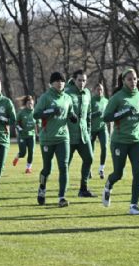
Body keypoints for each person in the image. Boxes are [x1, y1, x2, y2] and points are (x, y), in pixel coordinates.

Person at [102, 68, 139, 215]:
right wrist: (123, 113)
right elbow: (106, 117)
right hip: (120, 141)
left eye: (135, 79)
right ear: (123, 81)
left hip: (137, 140)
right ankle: (109, 185)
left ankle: (134, 205)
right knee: (118, 173)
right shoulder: (117, 97)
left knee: (138, 173)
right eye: (129, 79)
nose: (133, 82)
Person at [33, 72, 76, 207]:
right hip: (47, 138)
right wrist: (51, 111)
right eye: (57, 81)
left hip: (63, 137)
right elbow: (36, 114)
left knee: (63, 167)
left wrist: (73, 116)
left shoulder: (68, 98)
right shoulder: (45, 97)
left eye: (62, 81)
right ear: (51, 83)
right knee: (47, 169)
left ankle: (62, 197)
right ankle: (42, 188)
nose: (60, 83)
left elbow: (70, 112)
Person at [65, 70, 95, 197]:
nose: (82, 83)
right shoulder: (66, 93)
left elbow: (88, 114)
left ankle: (83, 189)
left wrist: (88, 130)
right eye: (79, 80)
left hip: (83, 135)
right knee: (65, 163)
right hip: (68, 135)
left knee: (89, 158)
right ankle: (63, 190)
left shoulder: (87, 93)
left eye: (84, 80)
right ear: (74, 79)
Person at [13, 95, 39, 174]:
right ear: (26, 104)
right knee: (23, 153)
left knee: (31, 152)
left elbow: (38, 123)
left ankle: (28, 168)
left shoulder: (35, 112)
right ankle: (17, 157)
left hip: (31, 135)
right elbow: (16, 123)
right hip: (22, 136)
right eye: (29, 104)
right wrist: (20, 129)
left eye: (31, 103)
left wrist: (38, 131)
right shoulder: (21, 112)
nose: (30, 105)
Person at [90, 83, 109, 179]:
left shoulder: (106, 101)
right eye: (98, 89)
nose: (100, 91)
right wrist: (95, 114)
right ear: (94, 90)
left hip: (102, 128)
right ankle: (89, 169)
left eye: (101, 89)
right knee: (90, 151)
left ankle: (101, 169)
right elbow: (87, 116)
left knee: (105, 147)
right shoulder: (91, 101)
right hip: (92, 129)